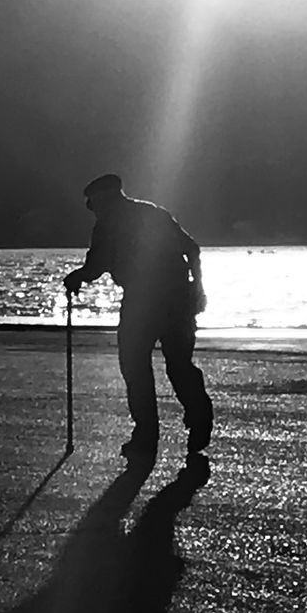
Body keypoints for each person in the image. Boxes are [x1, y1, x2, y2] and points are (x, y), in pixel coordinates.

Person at [64, 173, 213, 459]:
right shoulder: (153, 213)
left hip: (143, 302)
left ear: (105, 198)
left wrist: (76, 278)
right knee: (179, 365)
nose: (90, 207)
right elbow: (192, 249)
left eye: (92, 202)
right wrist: (199, 290)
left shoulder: (107, 225)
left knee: (134, 366)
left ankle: (146, 434)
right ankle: (198, 416)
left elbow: (96, 266)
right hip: (178, 298)